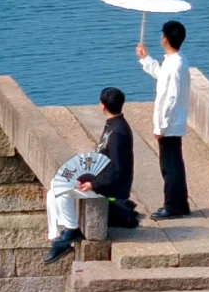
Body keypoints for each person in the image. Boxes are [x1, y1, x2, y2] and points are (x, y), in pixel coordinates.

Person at [44, 86, 138, 264]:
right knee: (53, 189)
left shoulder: (118, 132)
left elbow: (117, 169)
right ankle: (58, 237)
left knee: (60, 189)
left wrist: (93, 184)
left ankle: (72, 230)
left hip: (110, 187)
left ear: (102, 106)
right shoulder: (114, 124)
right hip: (102, 178)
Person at [136, 19, 191, 219]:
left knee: (169, 166)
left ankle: (173, 206)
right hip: (173, 122)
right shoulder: (176, 60)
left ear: (165, 39)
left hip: (170, 123)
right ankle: (181, 204)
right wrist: (146, 59)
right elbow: (161, 76)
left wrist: (160, 126)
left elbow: (170, 98)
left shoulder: (175, 65)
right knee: (174, 162)